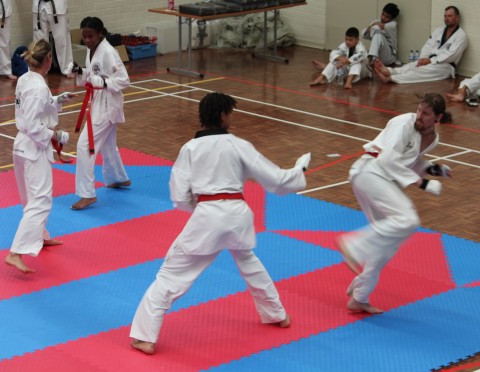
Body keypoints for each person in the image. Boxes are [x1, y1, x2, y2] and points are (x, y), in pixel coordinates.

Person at [129, 92, 311, 355]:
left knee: (172, 273)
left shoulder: (190, 148)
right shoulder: (238, 145)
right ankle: (276, 314)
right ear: (224, 115)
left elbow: (179, 195)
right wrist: (299, 171)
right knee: (249, 263)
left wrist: (201, 208)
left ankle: (145, 336)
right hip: (238, 215)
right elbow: (274, 177)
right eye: (231, 113)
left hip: (208, 215)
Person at [336, 93, 453, 314]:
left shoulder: (433, 138)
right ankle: (353, 246)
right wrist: (424, 184)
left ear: (437, 118)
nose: (419, 116)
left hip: (384, 180)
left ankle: (359, 297)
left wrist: (437, 169)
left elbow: (411, 160)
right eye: (418, 110)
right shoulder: (403, 123)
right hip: (370, 170)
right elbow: (388, 159)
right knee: (408, 219)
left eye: (425, 113)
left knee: (387, 243)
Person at [5, 39, 75, 273]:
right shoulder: (36, 86)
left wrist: (57, 100)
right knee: (41, 200)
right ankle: (16, 252)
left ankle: (41, 235)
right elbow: (34, 124)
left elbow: (32, 108)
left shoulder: (27, 78)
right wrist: (57, 135)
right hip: (34, 146)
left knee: (31, 199)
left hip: (22, 146)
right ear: (49, 60)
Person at [70, 17, 131, 210]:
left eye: (90, 36)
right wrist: (80, 71)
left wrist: (104, 83)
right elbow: (93, 74)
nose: (87, 40)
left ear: (100, 34)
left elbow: (124, 80)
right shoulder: (93, 49)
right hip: (99, 101)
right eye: (84, 37)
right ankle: (117, 178)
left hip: (107, 104)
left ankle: (87, 194)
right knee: (107, 144)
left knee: (84, 146)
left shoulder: (109, 52)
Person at [374, 6, 468, 84]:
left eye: (450, 16)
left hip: (445, 66)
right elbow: (428, 45)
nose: (446, 18)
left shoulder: (461, 36)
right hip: (430, 60)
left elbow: (451, 55)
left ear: (457, 18)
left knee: (420, 72)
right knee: (411, 65)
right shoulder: (439, 30)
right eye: (445, 16)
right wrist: (423, 59)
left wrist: (430, 61)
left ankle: (391, 78)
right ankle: (389, 71)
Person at [32, 0, 74, 77]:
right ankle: (39, 68)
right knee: (39, 41)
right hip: (39, 4)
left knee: (62, 39)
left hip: (58, 5)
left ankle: (67, 68)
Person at [362, 3, 400, 67]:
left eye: (387, 17)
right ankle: (372, 59)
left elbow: (382, 26)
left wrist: (374, 25)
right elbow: (364, 35)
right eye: (383, 14)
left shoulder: (393, 24)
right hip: (378, 55)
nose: (383, 17)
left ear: (392, 18)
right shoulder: (377, 21)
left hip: (389, 57)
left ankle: (371, 59)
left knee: (378, 34)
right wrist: (369, 28)